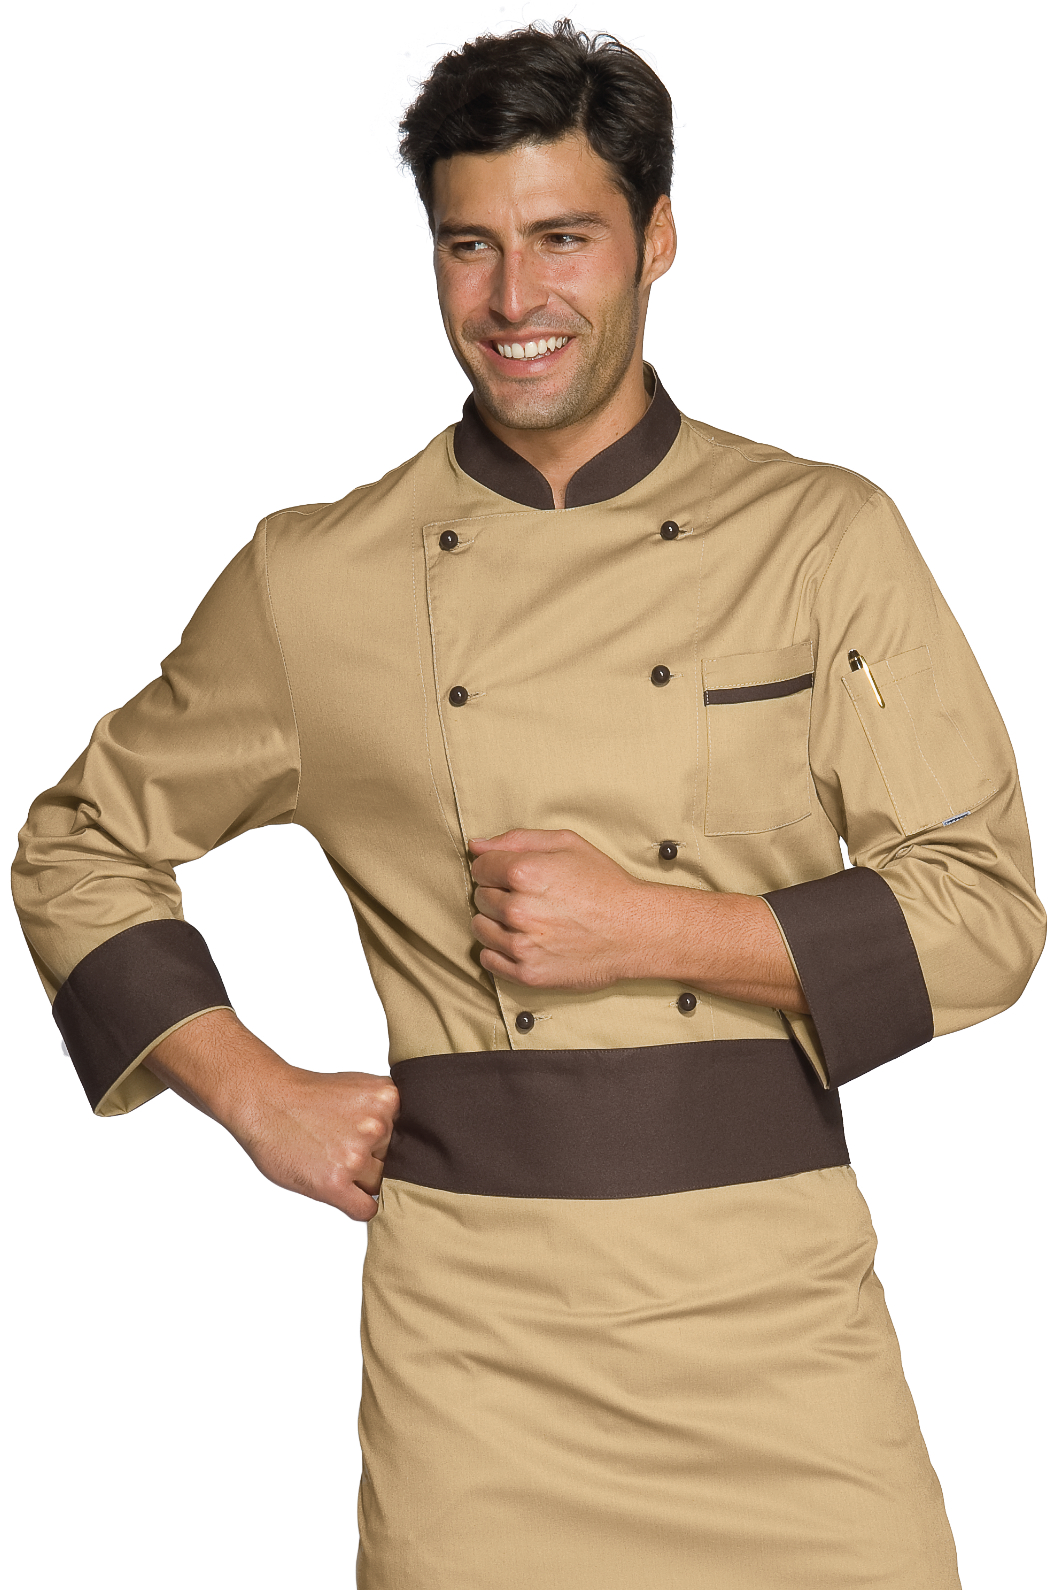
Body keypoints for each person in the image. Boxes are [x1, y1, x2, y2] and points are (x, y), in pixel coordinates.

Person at [11, 19, 1045, 1590]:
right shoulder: (318, 579)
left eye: (564, 238)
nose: (513, 301)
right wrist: (250, 1088)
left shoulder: (823, 537)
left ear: (657, 238)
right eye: (470, 246)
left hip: (779, 1321)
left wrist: (653, 926)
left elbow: (986, 913)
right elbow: (79, 843)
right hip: (475, 1355)